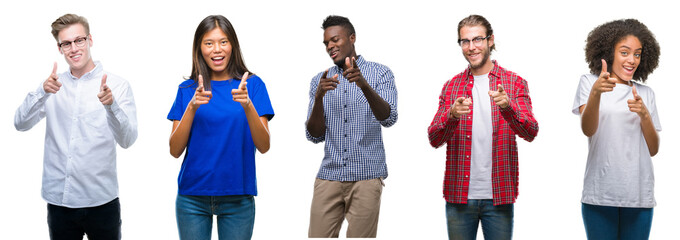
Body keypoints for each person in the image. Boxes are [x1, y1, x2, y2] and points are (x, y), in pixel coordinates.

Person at [14, 13, 137, 240]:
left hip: (102, 202)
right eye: (66, 43)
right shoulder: (52, 86)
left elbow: (128, 140)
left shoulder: (117, 86)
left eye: (79, 40)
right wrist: (42, 92)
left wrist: (111, 106)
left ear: (90, 40)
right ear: (60, 48)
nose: (74, 48)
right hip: (60, 201)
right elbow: (20, 123)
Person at [427, 15, 539, 240]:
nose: (471, 47)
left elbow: (531, 132)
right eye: (465, 41)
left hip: (499, 195)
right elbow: (434, 139)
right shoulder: (451, 87)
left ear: (491, 40)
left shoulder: (514, 82)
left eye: (477, 39)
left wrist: (508, 107)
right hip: (459, 195)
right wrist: (452, 115)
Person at [167, 15, 274, 240]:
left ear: (232, 45)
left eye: (223, 42)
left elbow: (264, 146)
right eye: (209, 43)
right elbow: (175, 150)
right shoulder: (187, 89)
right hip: (192, 197)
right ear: (199, 48)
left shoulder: (253, 85)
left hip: (238, 197)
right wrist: (192, 107)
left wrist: (247, 105)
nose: (217, 49)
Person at [305, 15, 398, 238]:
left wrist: (363, 85)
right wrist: (318, 98)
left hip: (366, 177)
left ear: (352, 38)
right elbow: (314, 135)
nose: (330, 46)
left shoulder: (381, 73)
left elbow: (389, 118)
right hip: (329, 176)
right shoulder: (321, 80)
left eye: (335, 40)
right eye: (326, 43)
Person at [572, 19, 661, 240]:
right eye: (624, 52)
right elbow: (588, 129)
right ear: (609, 53)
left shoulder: (645, 93)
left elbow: (653, 149)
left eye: (637, 54)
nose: (632, 60)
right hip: (599, 194)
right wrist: (596, 93)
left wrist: (644, 114)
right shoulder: (589, 82)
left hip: (639, 194)